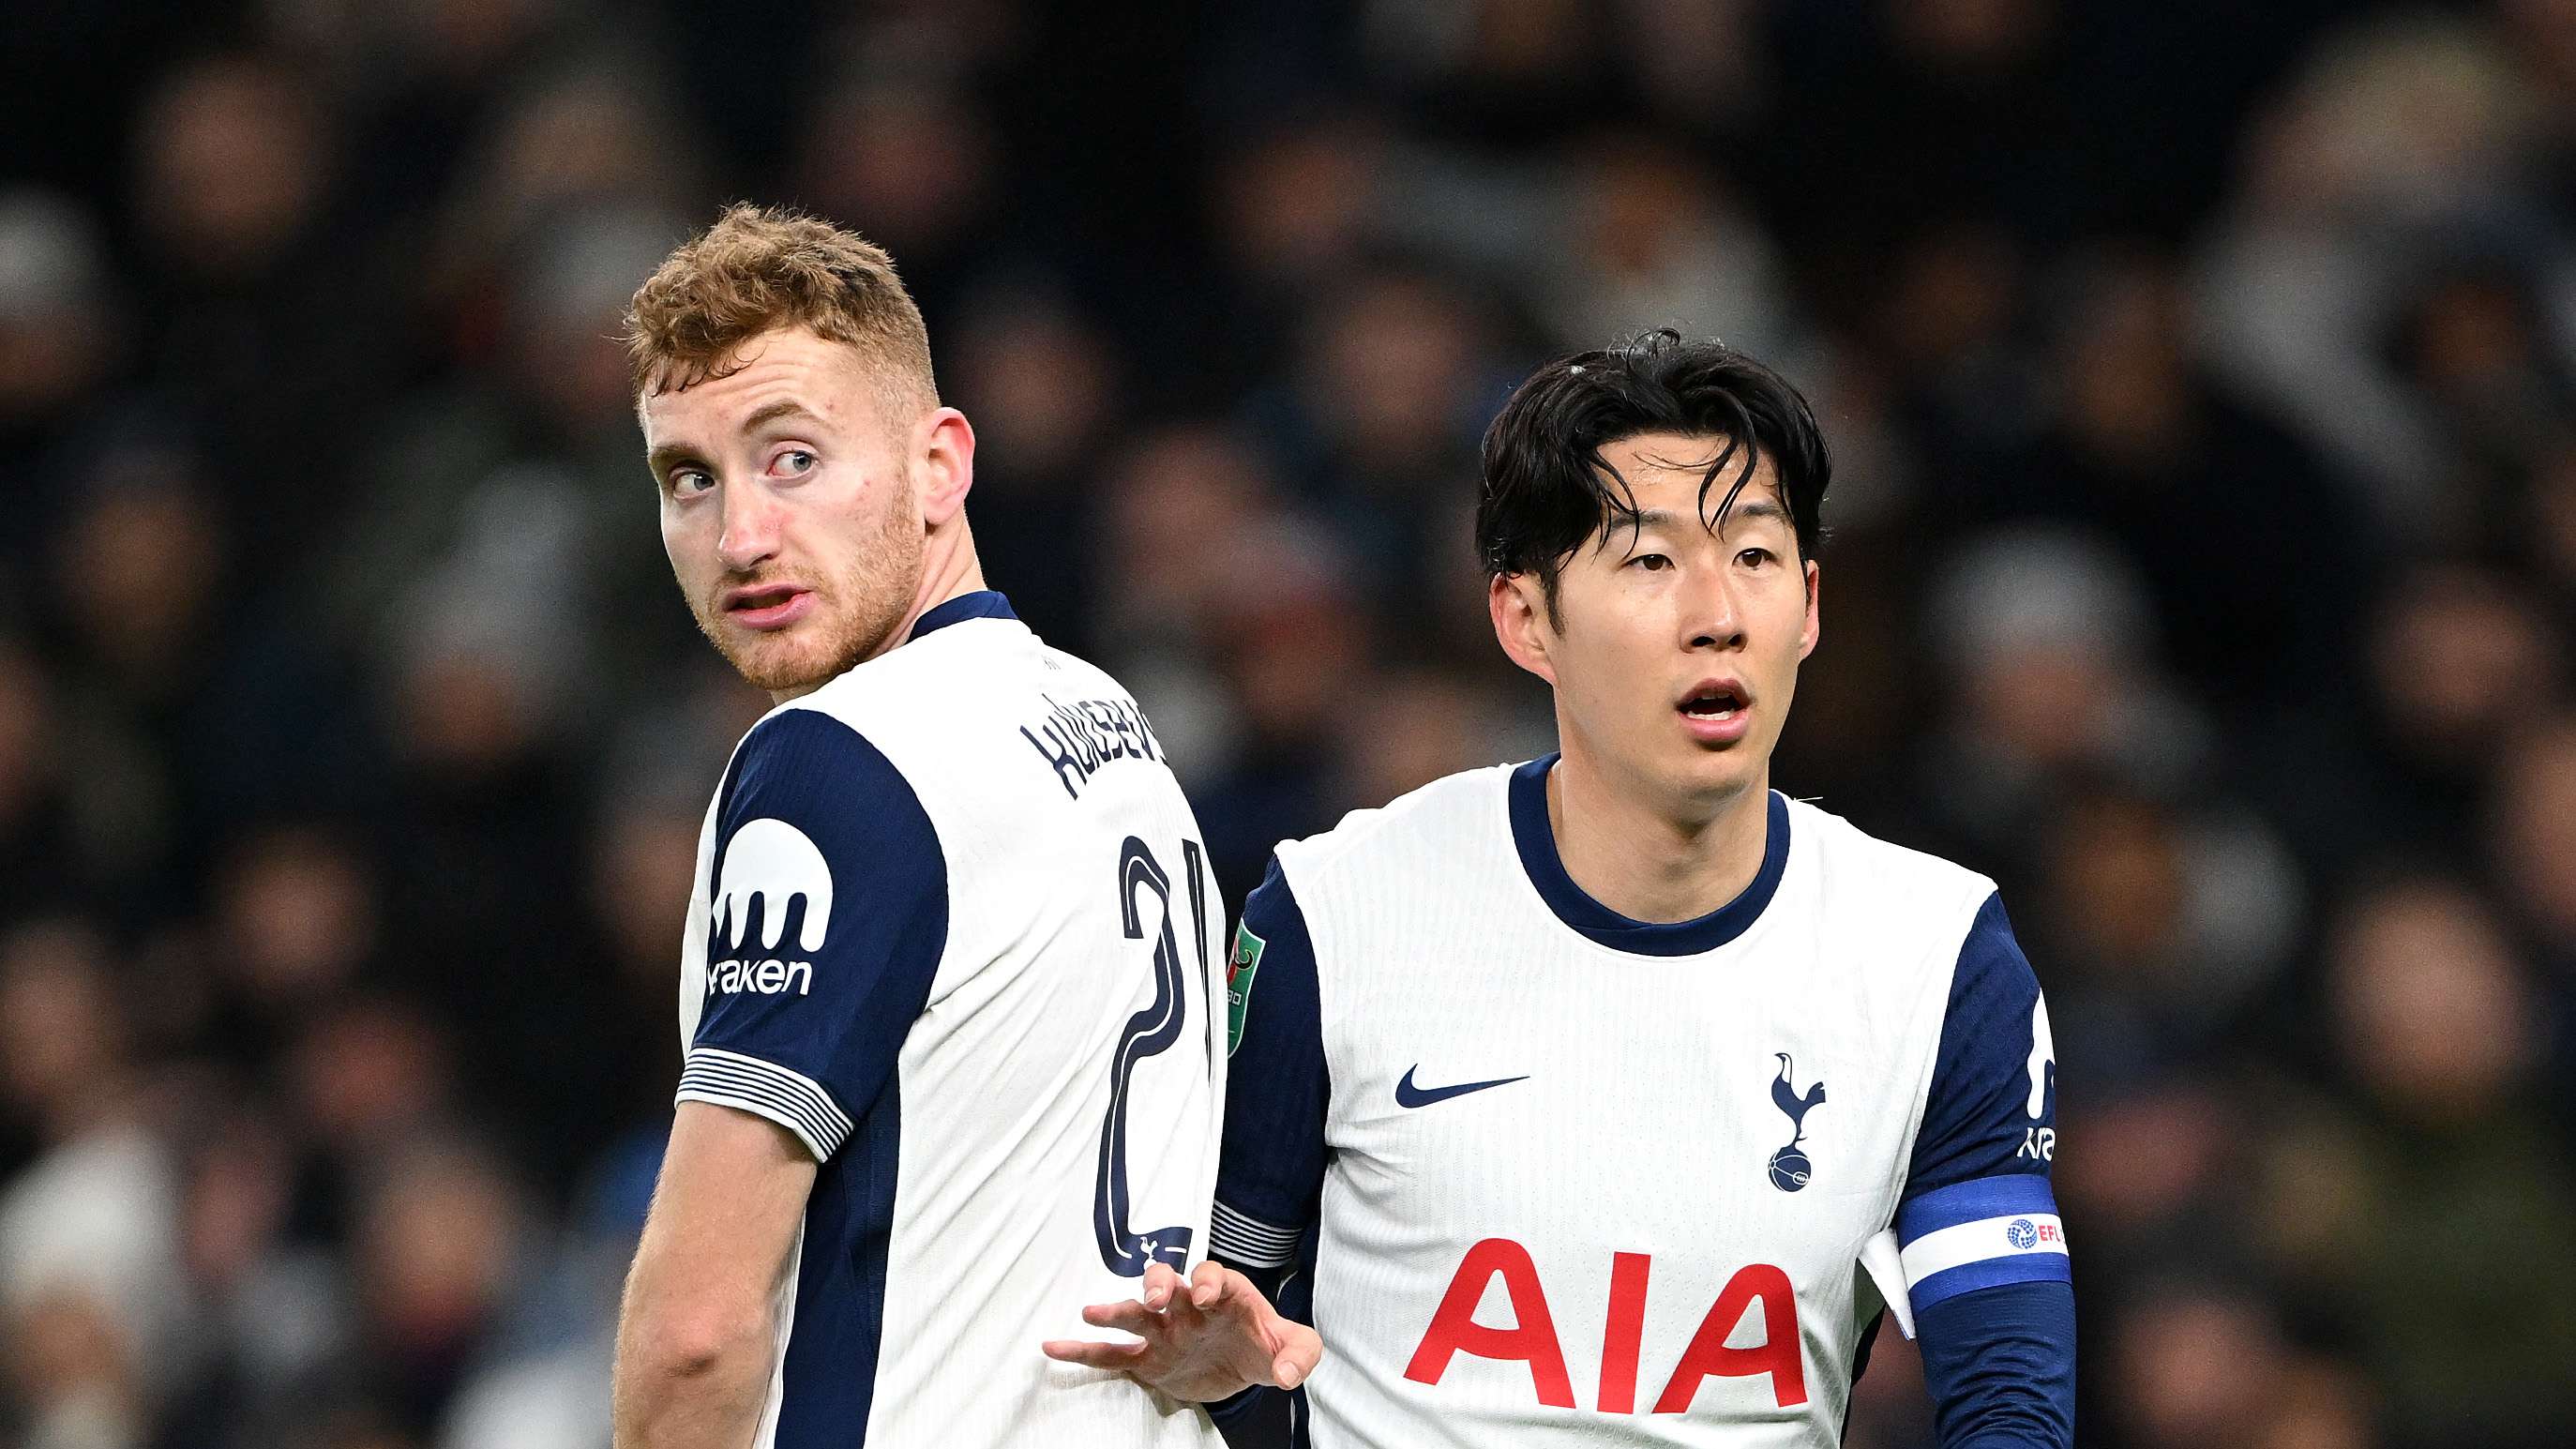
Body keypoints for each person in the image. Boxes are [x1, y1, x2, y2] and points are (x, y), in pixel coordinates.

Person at [1047, 331, 2074, 1446]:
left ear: (1810, 605)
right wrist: (1236, 1394)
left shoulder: (1934, 957)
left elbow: (2007, 1398)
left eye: (1753, 555)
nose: (1716, 613)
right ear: (1524, 619)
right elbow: (1214, 1339)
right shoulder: (1334, 916)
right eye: (1648, 562)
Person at [609, 204, 1246, 1449]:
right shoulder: (1104, 720)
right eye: (690, 477)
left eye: (792, 458)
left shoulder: (835, 759)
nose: (740, 537)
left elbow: (697, 1331)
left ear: (940, 465)